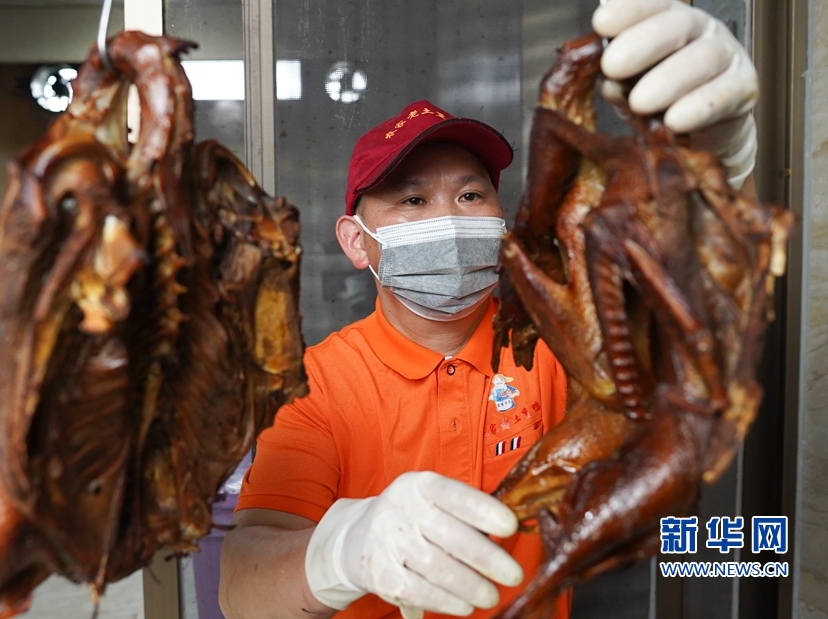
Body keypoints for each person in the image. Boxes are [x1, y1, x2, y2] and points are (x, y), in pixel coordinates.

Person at [218, 1, 760, 618]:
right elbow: (241, 587)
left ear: (501, 222)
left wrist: (715, 167)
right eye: (413, 199)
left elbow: (679, 289)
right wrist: (338, 553)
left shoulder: (553, 344)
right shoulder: (316, 388)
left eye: (471, 194)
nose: (448, 218)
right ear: (353, 240)